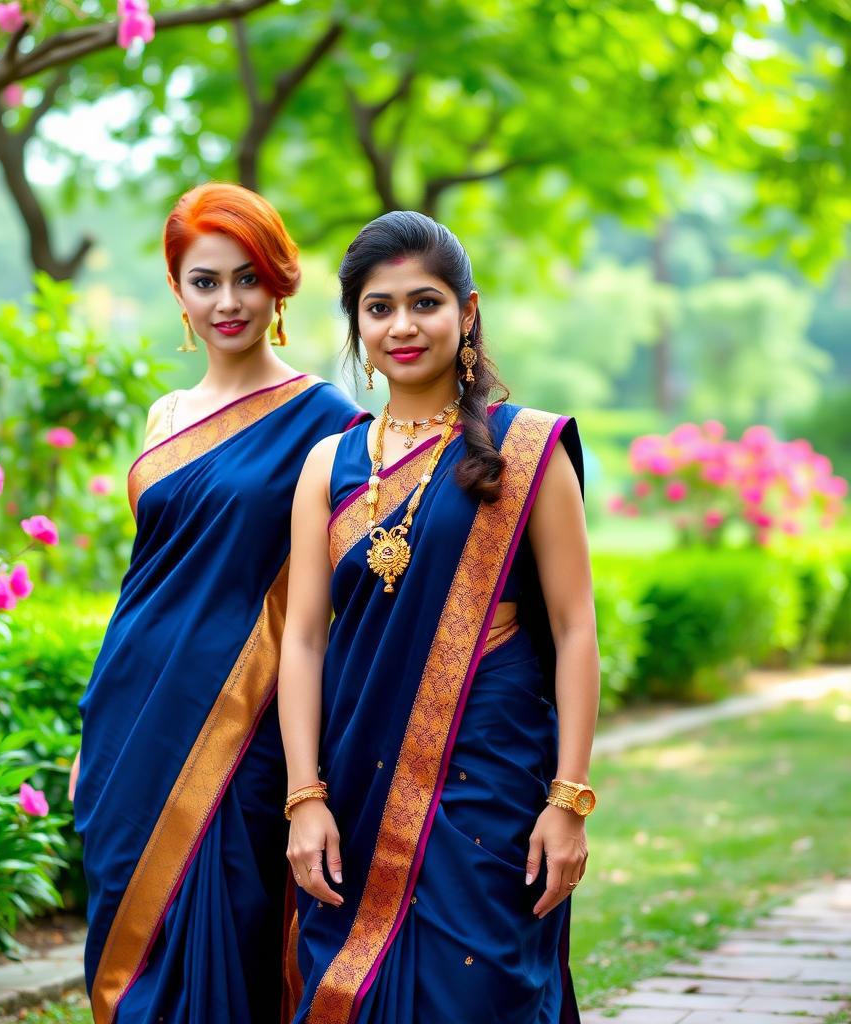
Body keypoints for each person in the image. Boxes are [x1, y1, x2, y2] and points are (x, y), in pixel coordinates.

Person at [278, 210, 599, 1023]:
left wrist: (568, 801)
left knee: (482, 982)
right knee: (357, 985)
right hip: (355, 776)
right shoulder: (330, 462)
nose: (402, 325)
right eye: (378, 307)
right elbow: (305, 638)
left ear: (468, 311)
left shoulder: (527, 450)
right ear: (355, 322)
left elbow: (573, 628)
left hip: (489, 771)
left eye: (425, 302)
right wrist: (305, 795)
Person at [71, 182, 366, 1024]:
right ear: (177, 292)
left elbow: (338, 604)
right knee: (126, 948)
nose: (227, 301)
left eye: (247, 278)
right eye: (205, 282)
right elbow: (143, 580)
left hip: (245, 732)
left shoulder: (331, 423)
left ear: (279, 284)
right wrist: (94, 726)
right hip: (131, 719)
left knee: (228, 942)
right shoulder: (167, 415)